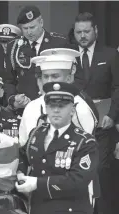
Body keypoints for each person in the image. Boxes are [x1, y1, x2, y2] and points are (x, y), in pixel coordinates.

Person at [16, 82, 99, 214]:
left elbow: (78, 181)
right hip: (38, 208)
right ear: (46, 108)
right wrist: (20, 172)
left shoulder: (84, 141)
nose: (56, 110)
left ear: (72, 110)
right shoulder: (36, 133)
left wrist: (37, 183)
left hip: (70, 210)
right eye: (51, 105)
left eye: (61, 106)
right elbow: (21, 155)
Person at [73, 12, 119, 214]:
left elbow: (117, 87)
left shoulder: (110, 54)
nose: (82, 36)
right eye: (78, 32)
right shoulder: (68, 55)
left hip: (103, 125)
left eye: (86, 31)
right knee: (75, 172)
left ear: (96, 31)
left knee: (100, 172)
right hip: (74, 126)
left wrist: (113, 114)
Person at [19, 48, 99, 147]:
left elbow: (85, 146)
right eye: (45, 76)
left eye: (55, 76)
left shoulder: (80, 107)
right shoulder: (31, 107)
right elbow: (23, 143)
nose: (49, 81)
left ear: (69, 78)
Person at [6, 5, 67, 114]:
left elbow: (72, 75)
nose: (29, 32)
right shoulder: (14, 47)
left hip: (54, 107)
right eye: (25, 28)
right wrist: (14, 99)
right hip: (25, 109)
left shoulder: (59, 43)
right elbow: (8, 80)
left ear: (41, 23)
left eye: (32, 27)